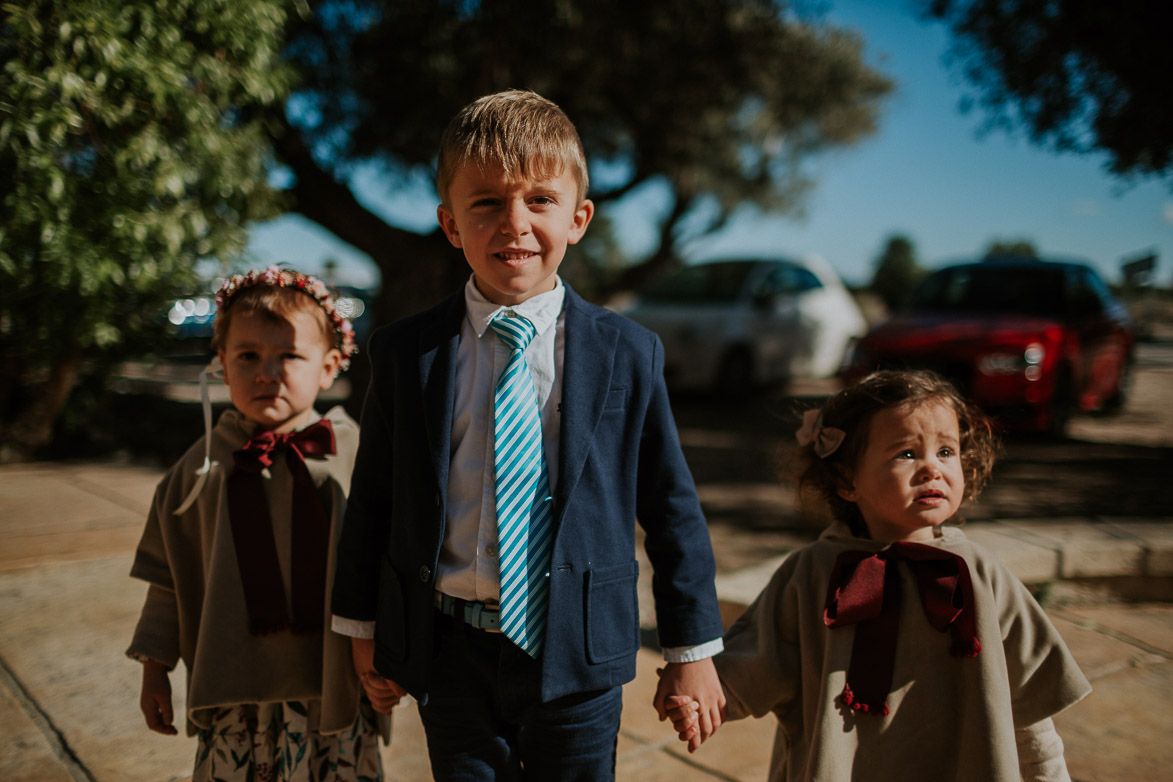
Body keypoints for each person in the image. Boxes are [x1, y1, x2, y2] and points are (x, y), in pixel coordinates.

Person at [329, 89, 726, 780]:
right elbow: (374, 501)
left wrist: (691, 652)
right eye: (485, 202)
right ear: (450, 224)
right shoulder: (405, 353)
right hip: (447, 649)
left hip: (577, 651)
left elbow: (670, 509)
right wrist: (364, 631)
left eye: (539, 200)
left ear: (578, 219)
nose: (514, 222)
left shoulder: (627, 353)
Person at [665, 369, 1091, 781]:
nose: (932, 469)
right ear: (847, 480)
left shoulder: (980, 574)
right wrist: (697, 695)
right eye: (907, 453)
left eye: (946, 451)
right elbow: (755, 664)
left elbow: (1028, 707)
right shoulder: (811, 572)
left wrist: (1048, 775)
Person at [126, 266, 386, 781]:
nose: (267, 372)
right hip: (235, 695)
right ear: (222, 365)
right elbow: (168, 577)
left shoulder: (357, 453)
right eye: (248, 356)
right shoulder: (199, 468)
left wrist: (393, 655)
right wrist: (156, 667)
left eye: (289, 355)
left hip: (333, 686)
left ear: (330, 367)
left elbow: (387, 564)